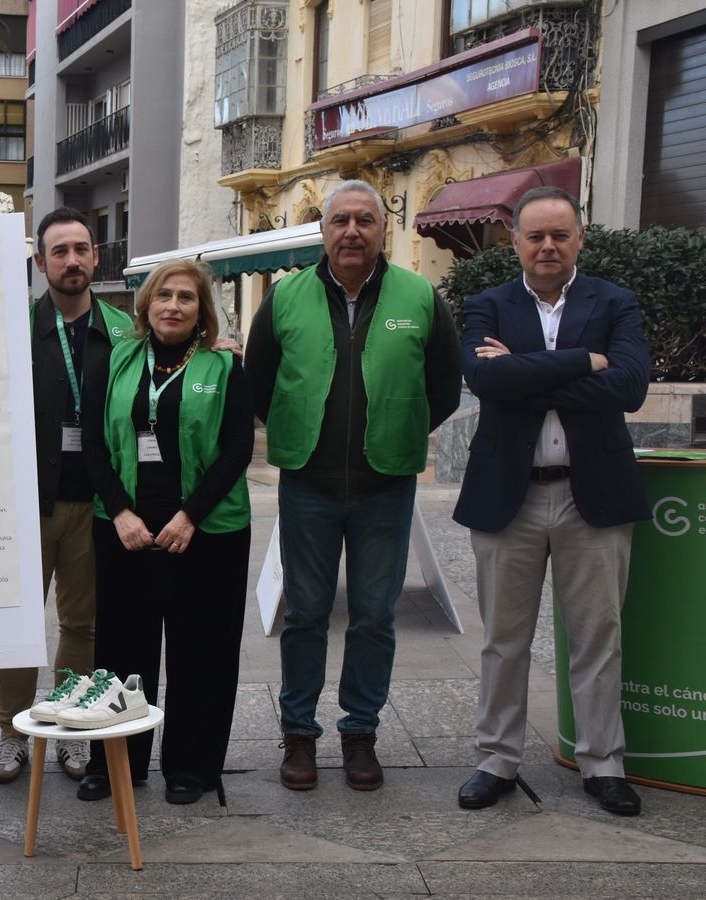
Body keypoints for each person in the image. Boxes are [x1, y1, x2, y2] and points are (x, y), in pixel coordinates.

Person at [245, 180, 461, 792]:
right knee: (307, 613)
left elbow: (443, 387)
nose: (352, 231)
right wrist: (295, 430)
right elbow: (258, 379)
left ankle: (360, 733)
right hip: (308, 483)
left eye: (365, 220)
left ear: (381, 231)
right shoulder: (286, 297)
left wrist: (398, 429)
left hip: (385, 485)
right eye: (340, 220)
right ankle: (299, 736)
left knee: (374, 616)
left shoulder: (419, 296)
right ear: (323, 229)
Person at [453, 186, 650, 817]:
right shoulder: (487, 303)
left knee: (598, 635)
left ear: (579, 239)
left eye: (559, 235)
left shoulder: (615, 302)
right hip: (508, 495)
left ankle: (603, 763)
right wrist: (579, 364)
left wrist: (530, 370)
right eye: (534, 236)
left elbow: (629, 387)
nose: (546, 246)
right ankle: (497, 760)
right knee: (502, 639)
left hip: (591, 493)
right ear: (514, 242)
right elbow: (486, 379)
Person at [77, 259, 254, 804]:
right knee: (121, 650)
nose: (173, 306)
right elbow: (92, 442)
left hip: (207, 532)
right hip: (125, 528)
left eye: (186, 298)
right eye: (164, 296)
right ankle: (114, 764)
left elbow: (237, 449)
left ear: (202, 312)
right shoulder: (117, 359)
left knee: (201, 651)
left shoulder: (224, 367)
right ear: (146, 304)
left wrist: (189, 516)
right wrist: (122, 512)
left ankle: (192, 766)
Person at [0, 209, 134, 786]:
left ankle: (73, 725)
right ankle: (11, 732)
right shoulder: (14, 329)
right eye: (59, 252)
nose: (71, 261)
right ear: (39, 263)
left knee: (83, 623)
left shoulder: (127, 333)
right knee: (19, 623)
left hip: (99, 505)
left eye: (81, 249)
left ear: (96, 256)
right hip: (29, 503)